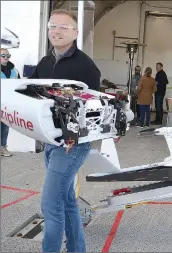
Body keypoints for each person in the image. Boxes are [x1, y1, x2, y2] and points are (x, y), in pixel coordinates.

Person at [29, 9, 101, 252]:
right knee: (67, 200)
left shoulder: (86, 67)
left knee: (51, 204)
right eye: (53, 26)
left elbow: (94, 110)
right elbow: (30, 93)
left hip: (72, 144)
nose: (56, 31)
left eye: (63, 27)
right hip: (51, 140)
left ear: (75, 33)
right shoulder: (45, 62)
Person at [1, 48, 20, 157]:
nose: (6, 58)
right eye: (3, 55)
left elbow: (19, 86)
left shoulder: (14, 71)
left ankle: (2, 147)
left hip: (7, 103)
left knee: (4, 127)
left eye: (8, 55)